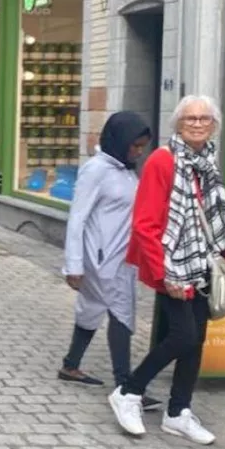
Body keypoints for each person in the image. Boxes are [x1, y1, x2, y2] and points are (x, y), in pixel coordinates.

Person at [108, 95, 225, 444]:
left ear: (214, 125)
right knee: (183, 335)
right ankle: (129, 392)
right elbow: (145, 224)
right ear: (177, 124)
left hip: (201, 264)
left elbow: (212, 216)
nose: (197, 124)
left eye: (204, 119)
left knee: (196, 339)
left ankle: (178, 412)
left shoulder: (206, 162)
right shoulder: (162, 161)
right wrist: (165, 273)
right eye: (189, 119)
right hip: (171, 264)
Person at [58, 112, 162, 411]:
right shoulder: (96, 170)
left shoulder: (127, 170)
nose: (139, 152)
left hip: (123, 257)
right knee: (120, 315)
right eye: (135, 145)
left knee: (94, 310)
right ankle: (126, 387)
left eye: (143, 146)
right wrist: (74, 264)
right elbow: (77, 218)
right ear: (119, 141)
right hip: (100, 258)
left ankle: (71, 366)